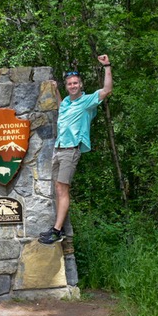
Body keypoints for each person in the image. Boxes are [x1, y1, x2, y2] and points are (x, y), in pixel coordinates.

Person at [39, 54, 113, 244]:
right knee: (57, 188)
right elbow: (60, 105)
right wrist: (55, 90)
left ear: (81, 85)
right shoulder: (66, 102)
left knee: (63, 189)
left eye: (75, 83)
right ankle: (59, 226)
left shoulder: (87, 102)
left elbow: (107, 89)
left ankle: (57, 231)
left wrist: (107, 66)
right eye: (69, 83)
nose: (72, 86)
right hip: (58, 149)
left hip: (70, 151)